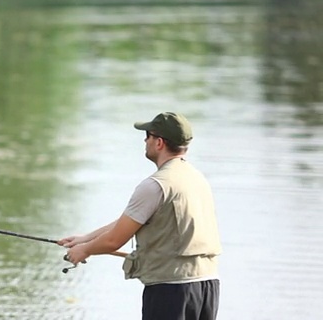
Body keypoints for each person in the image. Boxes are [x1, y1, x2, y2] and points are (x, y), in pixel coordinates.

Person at [58, 112, 222, 320]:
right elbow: (133, 219)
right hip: (207, 286)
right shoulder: (196, 178)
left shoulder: (155, 185)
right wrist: (86, 239)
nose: (145, 141)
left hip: (171, 291)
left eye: (148, 135)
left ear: (159, 142)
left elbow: (114, 240)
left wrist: (84, 251)